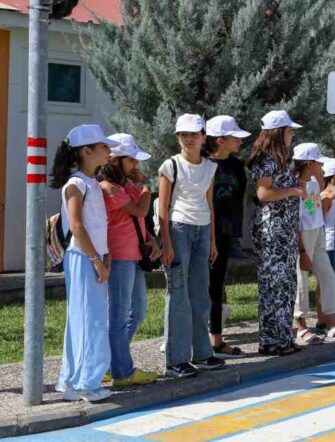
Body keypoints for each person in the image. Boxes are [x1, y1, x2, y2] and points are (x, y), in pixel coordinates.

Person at [52, 125, 117, 402]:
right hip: (82, 257)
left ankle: (71, 380)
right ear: (86, 151)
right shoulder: (76, 184)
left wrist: (105, 255)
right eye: (102, 146)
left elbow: (95, 225)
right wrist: (96, 260)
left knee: (86, 318)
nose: (107, 150)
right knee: (89, 320)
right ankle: (84, 383)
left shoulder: (90, 182)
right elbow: (77, 226)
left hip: (92, 256)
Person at [159, 114, 225, 377]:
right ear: (177, 138)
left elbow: (209, 204)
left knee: (200, 293)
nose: (188, 139)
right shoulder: (170, 166)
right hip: (178, 229)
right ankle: (175, 359)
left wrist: (212, 240)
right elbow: (163, 208)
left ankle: (202, 352)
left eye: (193, 134)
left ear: (203, 137)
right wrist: (166, 243)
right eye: (183, 134)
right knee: (178, 293)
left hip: (202, 229)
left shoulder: (210, 167)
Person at [99, 133, 159, 387]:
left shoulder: (126, 185)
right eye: (131, 160)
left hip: (135, 254)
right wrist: (147, 189)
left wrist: (152, 239)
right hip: (120, 255)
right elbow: (140, 210)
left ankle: (111, 362)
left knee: (139, 311)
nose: (136, 165)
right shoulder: (108, 187)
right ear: (115, 159)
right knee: (120, 315)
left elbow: (140, 220)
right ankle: (121, 371)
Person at [247, 110, 305, 356]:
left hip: (284, 229)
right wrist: (292, 190)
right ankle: (271, 340)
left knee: (285, 284)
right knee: (274, 285)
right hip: (272, 230)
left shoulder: (281, 159)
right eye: (290, 130)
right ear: (279, 132)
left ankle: (283, 337)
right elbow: (263, 195)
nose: (293, 134)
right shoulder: (267, 159)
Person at [203, 115, 250, 359]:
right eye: (235, 137)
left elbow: (238, 196)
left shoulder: (236, 165)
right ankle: (192, 337)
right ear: (220, 140)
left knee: (217, 285)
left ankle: (216, 340)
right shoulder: (201, 163)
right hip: (201, 231)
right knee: (199, 286)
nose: (240, 141)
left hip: (224, 233)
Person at [292, 143, 335, 344]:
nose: (321, 165)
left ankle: (329, 321)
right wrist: (302, 250)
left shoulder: (314, 182)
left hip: (318, 231)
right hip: (303, 235)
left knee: (329, 277)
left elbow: (315, 209)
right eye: (317, 161)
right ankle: (300, 326)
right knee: (301, 281)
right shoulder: (295, 185)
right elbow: (294, 221)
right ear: (308, 163)